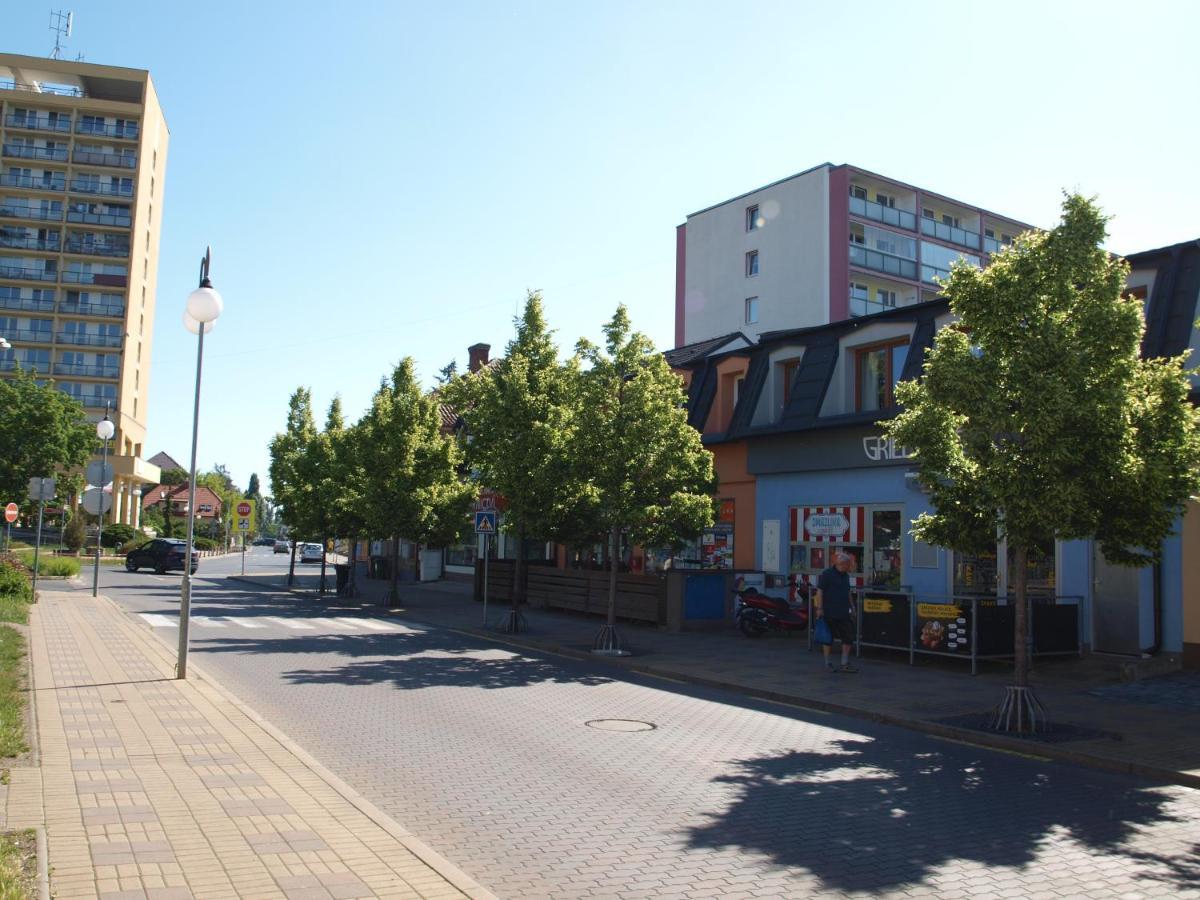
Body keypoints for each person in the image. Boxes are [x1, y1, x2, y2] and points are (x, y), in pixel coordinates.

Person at [814, 550, 858, 673]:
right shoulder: (827, 574)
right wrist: (819, 608)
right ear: (841, 563)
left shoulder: (846, 576)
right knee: (828, 638)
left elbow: (848, 592)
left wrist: (853, 607)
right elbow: (820, 591)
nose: (849, 567)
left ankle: (844, 663)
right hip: (829, 611)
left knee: (848, 636)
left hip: (843, 611)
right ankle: (827, 663)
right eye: (847, 564)